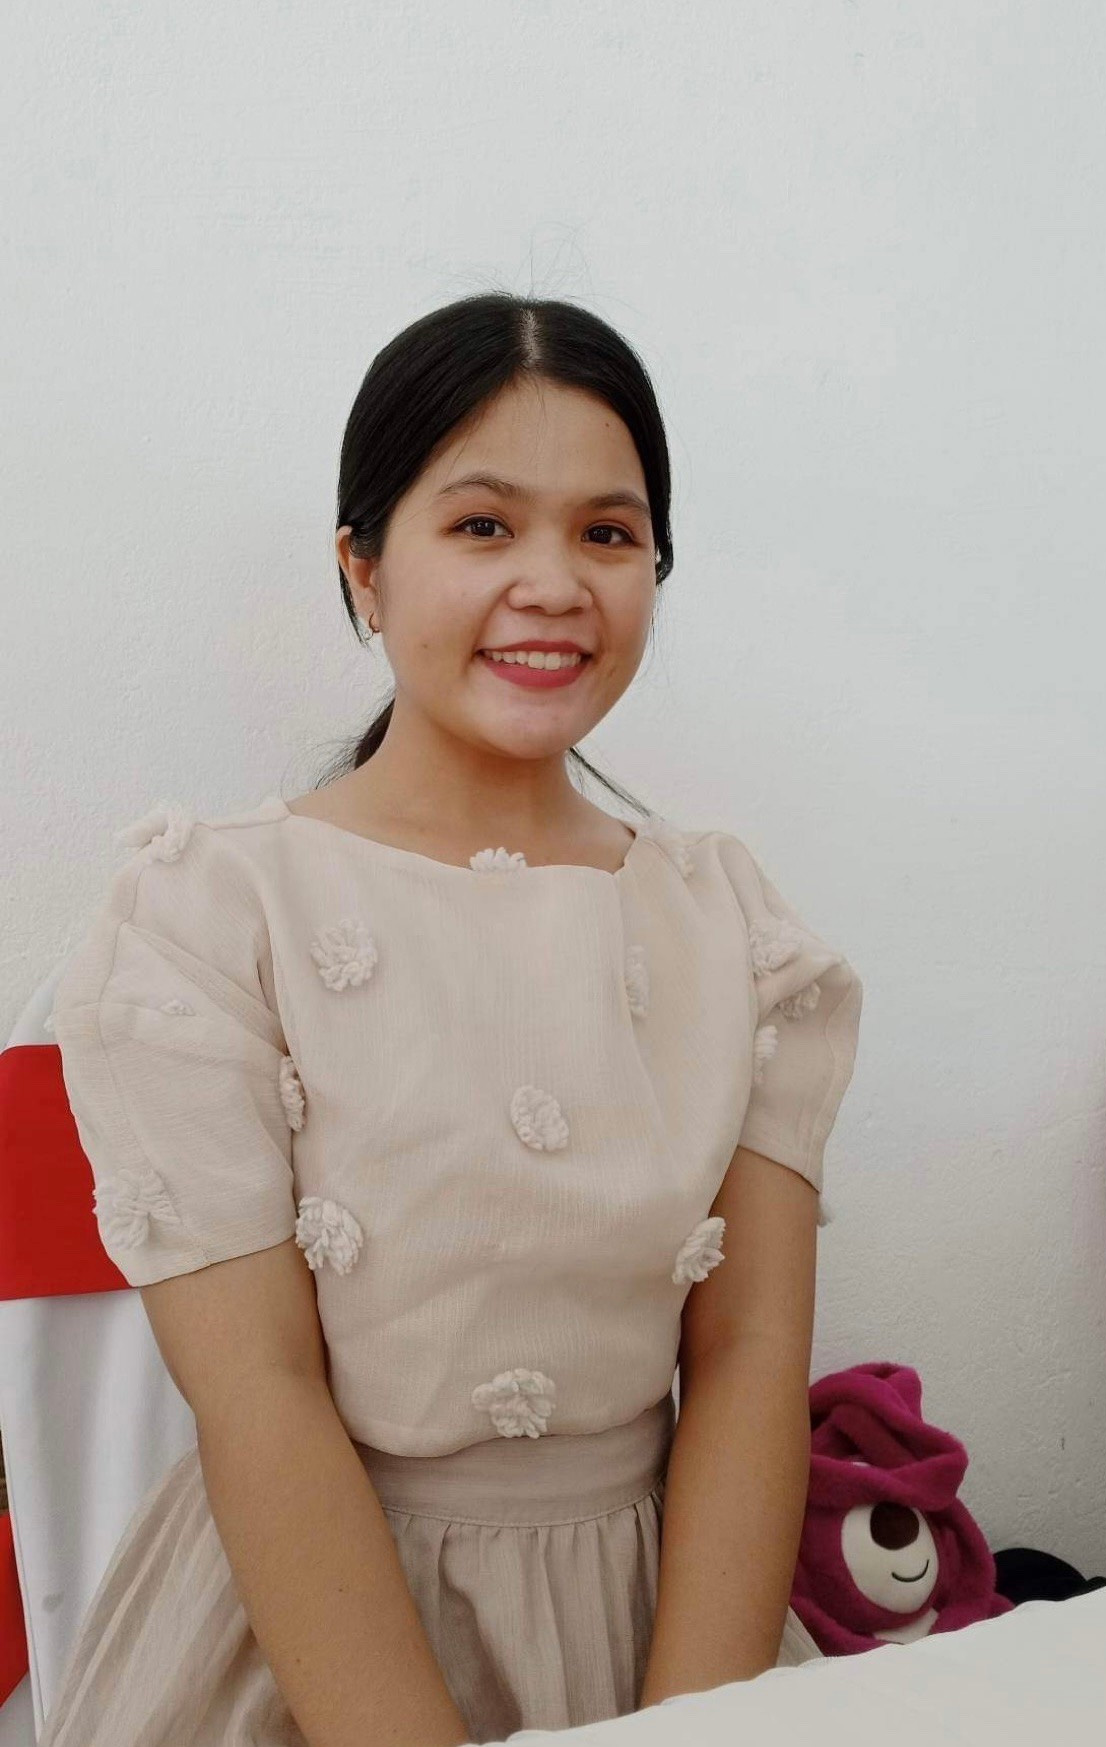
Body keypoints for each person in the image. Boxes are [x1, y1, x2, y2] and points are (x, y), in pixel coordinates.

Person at [40, 292, 864, 1747]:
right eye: (482, 526)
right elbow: (261, 1397)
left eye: (608, 534)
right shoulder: (209, 918)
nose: (552, 582)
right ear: (362, 567)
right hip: (314, 1640)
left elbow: (744, 1364)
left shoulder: (733, 925)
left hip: (670, 1627)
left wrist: (687, 1733)